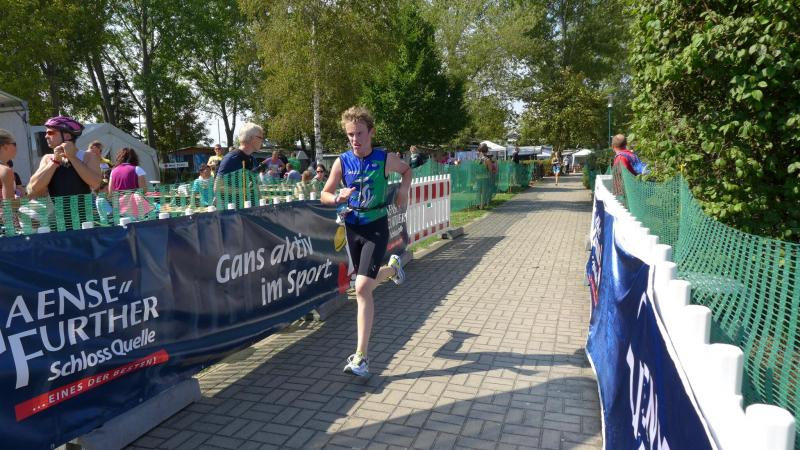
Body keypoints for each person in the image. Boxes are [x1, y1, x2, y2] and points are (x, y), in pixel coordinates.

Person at [321, 106, 412, 378]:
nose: (355, 139)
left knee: (361, 288)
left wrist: (403, 190)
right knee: (365, 284)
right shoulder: (341, 162)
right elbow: (325, 193)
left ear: (371, 132)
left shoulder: (384, 159)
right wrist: (337, 198)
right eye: (350, 135)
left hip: (376, 226)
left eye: (359, 133)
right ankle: (393, 269)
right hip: (352, 227)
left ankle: (361, 357)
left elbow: (407, 171)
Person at [28, 116, 102, 200]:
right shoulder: (47, 159)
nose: (46, 136)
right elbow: (33, 188)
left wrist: (72, 158)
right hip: (57, 208)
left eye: (50, 133)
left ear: (67, 136)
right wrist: (54, 162)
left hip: (84, 208)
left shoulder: (88, 156)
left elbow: (96, 184)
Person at [0, 129, 18, 200]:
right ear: (5, 146)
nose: (16, 147)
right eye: (14, 144)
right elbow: (9, 205)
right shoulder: (5, 171)